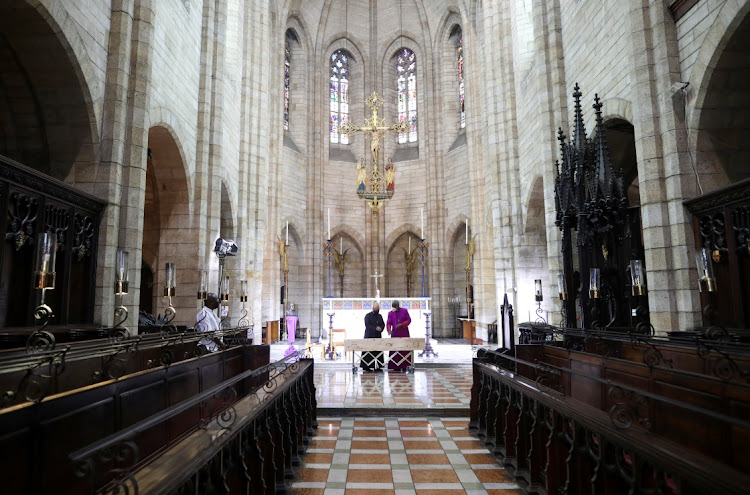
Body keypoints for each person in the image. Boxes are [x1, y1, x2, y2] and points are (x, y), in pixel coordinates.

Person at [386, 300, 412, 371]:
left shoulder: (404, 311)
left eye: (394, 306)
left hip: (404, 334)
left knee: (404, 350)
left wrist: (402, 325)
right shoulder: (390, 313)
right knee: (395, 351)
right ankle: (395, 366)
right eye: (392, 306)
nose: (393, 308)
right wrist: (389, 329)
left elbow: (409, 320)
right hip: (395, 334)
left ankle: (405, 366)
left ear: (398, 306)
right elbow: (388, 323)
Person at [361, 302, 385, 371]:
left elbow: (383, 324)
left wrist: (381, 328)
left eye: (378, 308)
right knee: (368, 352)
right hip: (369, 336)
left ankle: (378, 366)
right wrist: (375, 328)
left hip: (377, 336)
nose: (377, 310)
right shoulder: (368, 316)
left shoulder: (380, 316)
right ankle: (366, 366)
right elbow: (367, 325)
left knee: (377, 352)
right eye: (376, 308)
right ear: (373, 308)